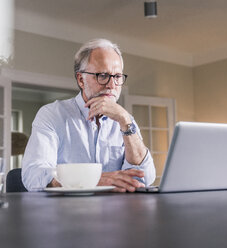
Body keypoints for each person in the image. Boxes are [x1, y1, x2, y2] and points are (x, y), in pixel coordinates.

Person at [22, 38, 155, 192]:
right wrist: (95, 180)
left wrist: (125, 121)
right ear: (81, 79)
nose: (112, 85)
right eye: (103, 75)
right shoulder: (52, 114)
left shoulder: (125, 120)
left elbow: (144, 178)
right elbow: (33, 175)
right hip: (67, 211)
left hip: (117, 212)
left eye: (117, 76)